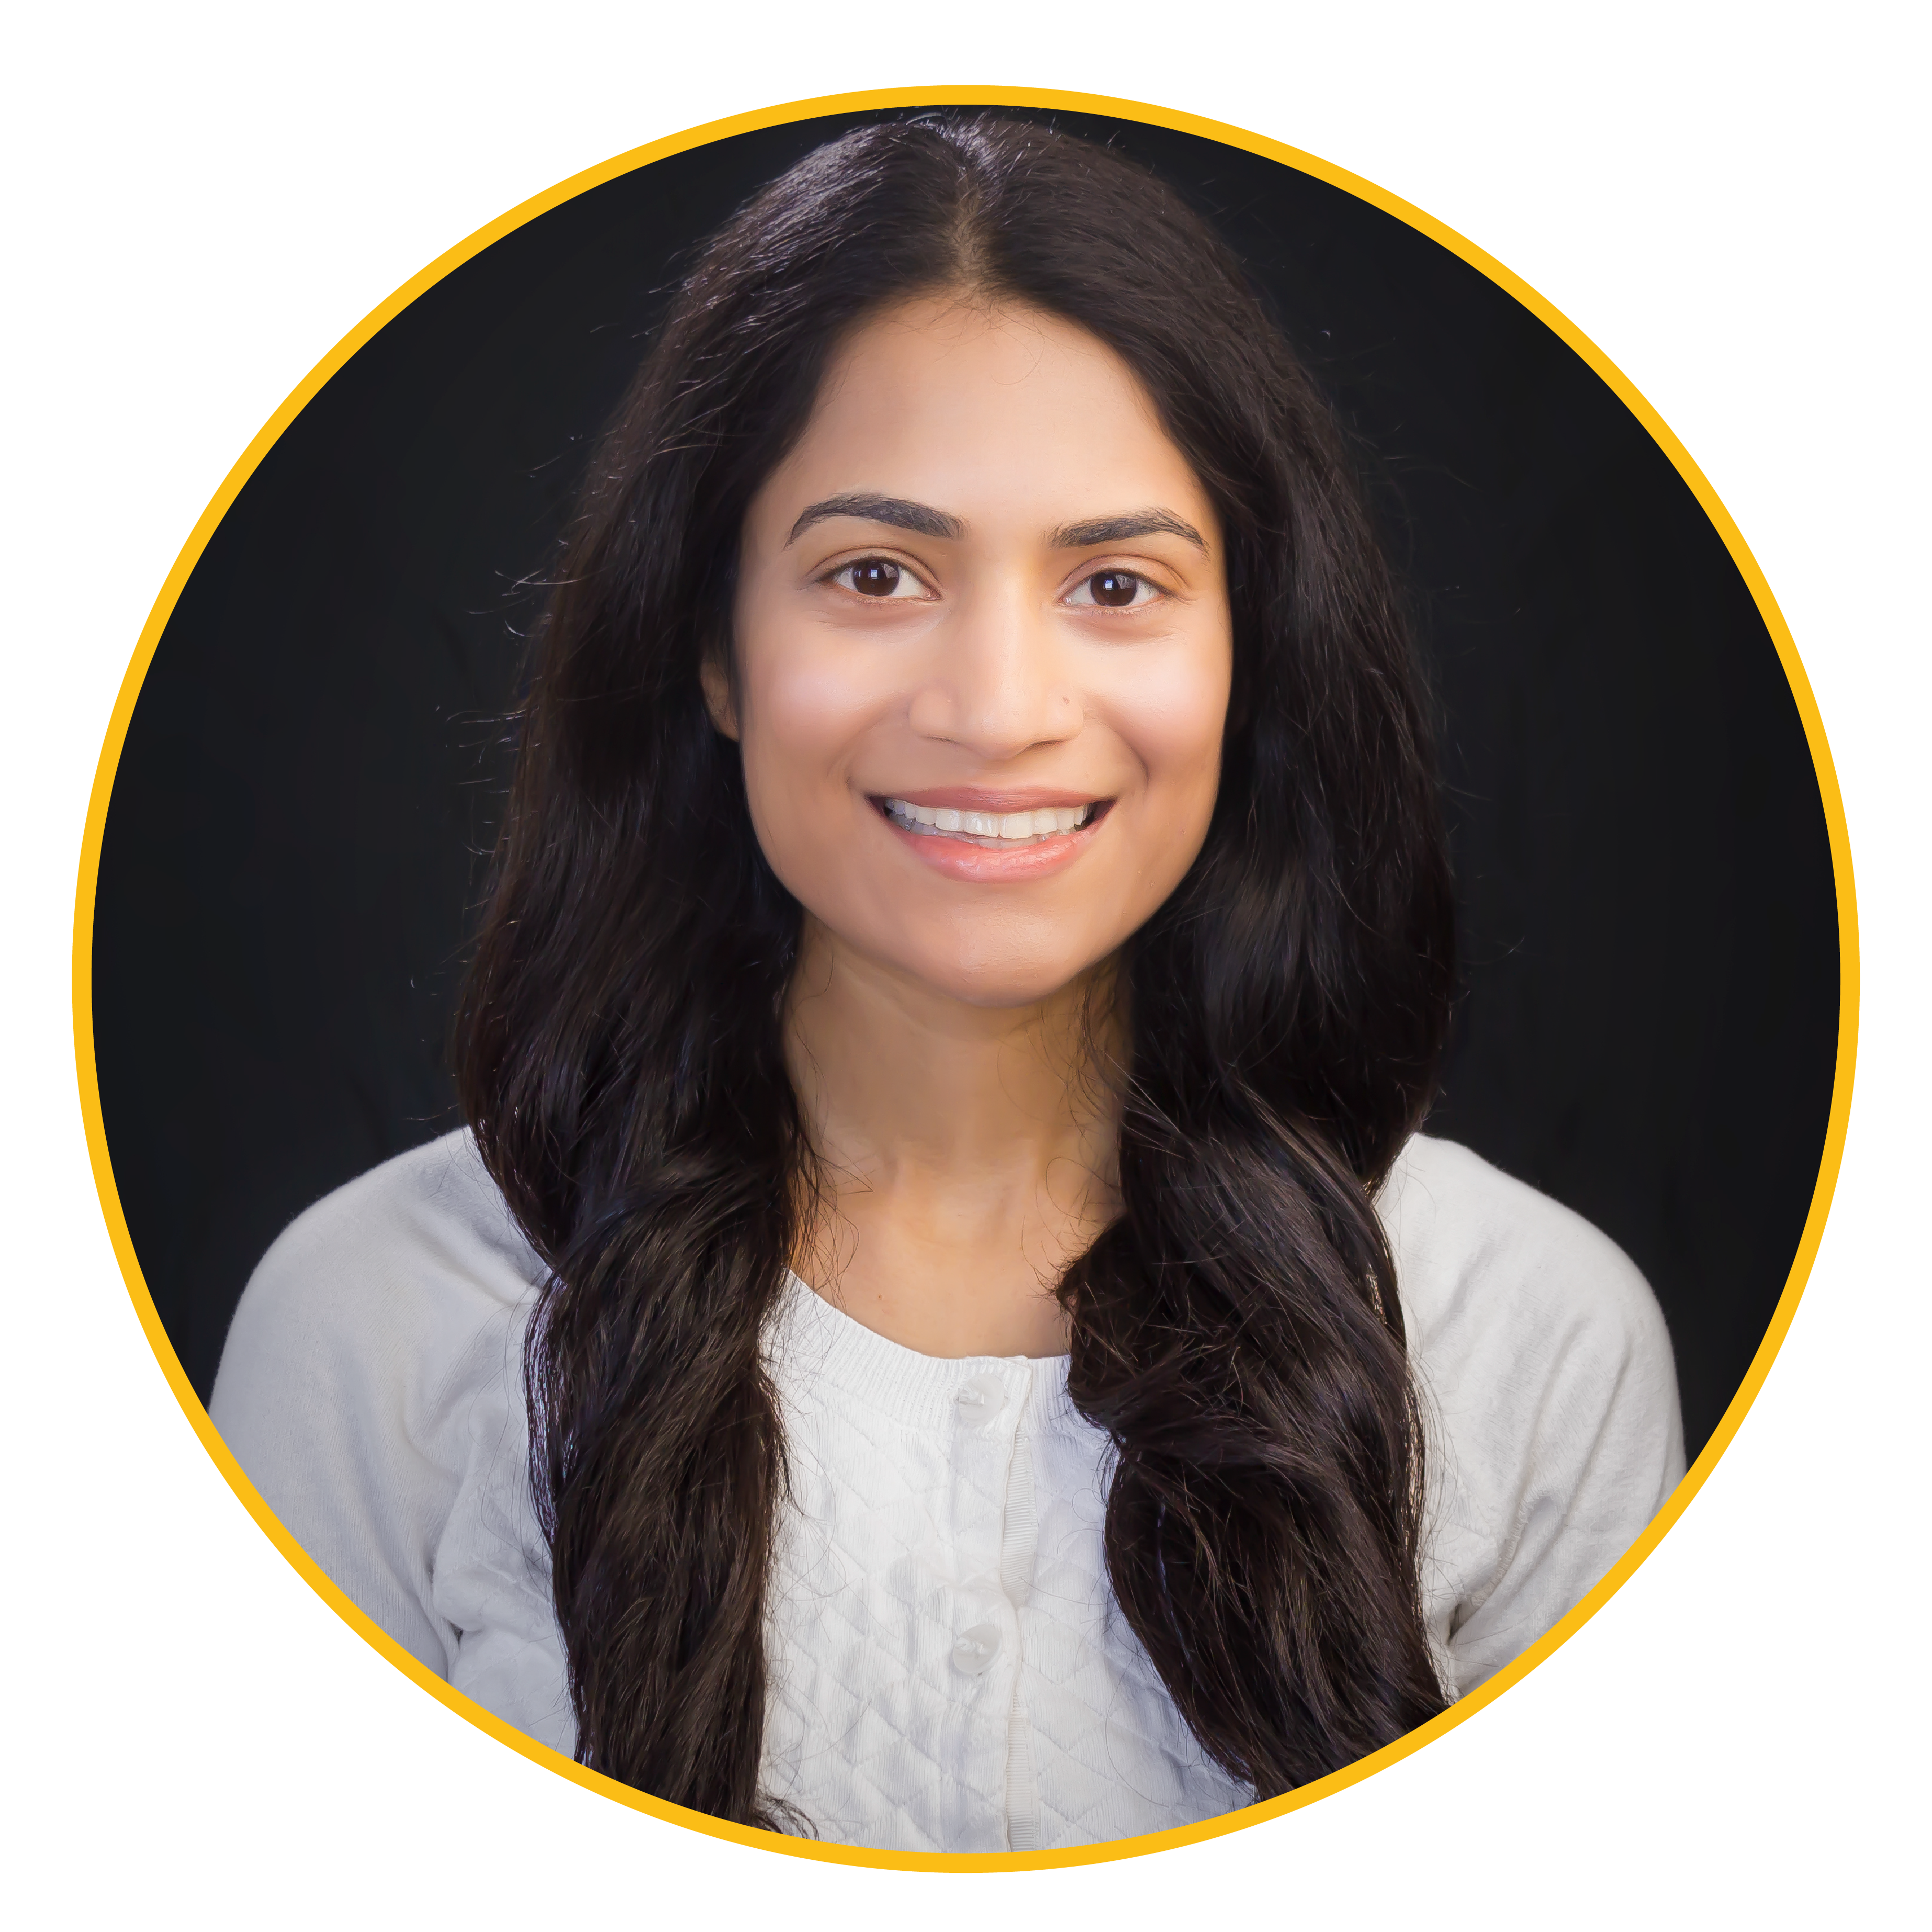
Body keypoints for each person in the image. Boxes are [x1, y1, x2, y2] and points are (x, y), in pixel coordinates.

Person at [210, 115, 1683, 1855]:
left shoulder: (1526, 1332)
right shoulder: (376, 1322)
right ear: (712, 648)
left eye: (1115, 583)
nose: (996, 707)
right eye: (874, 574)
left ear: (1251, 653)